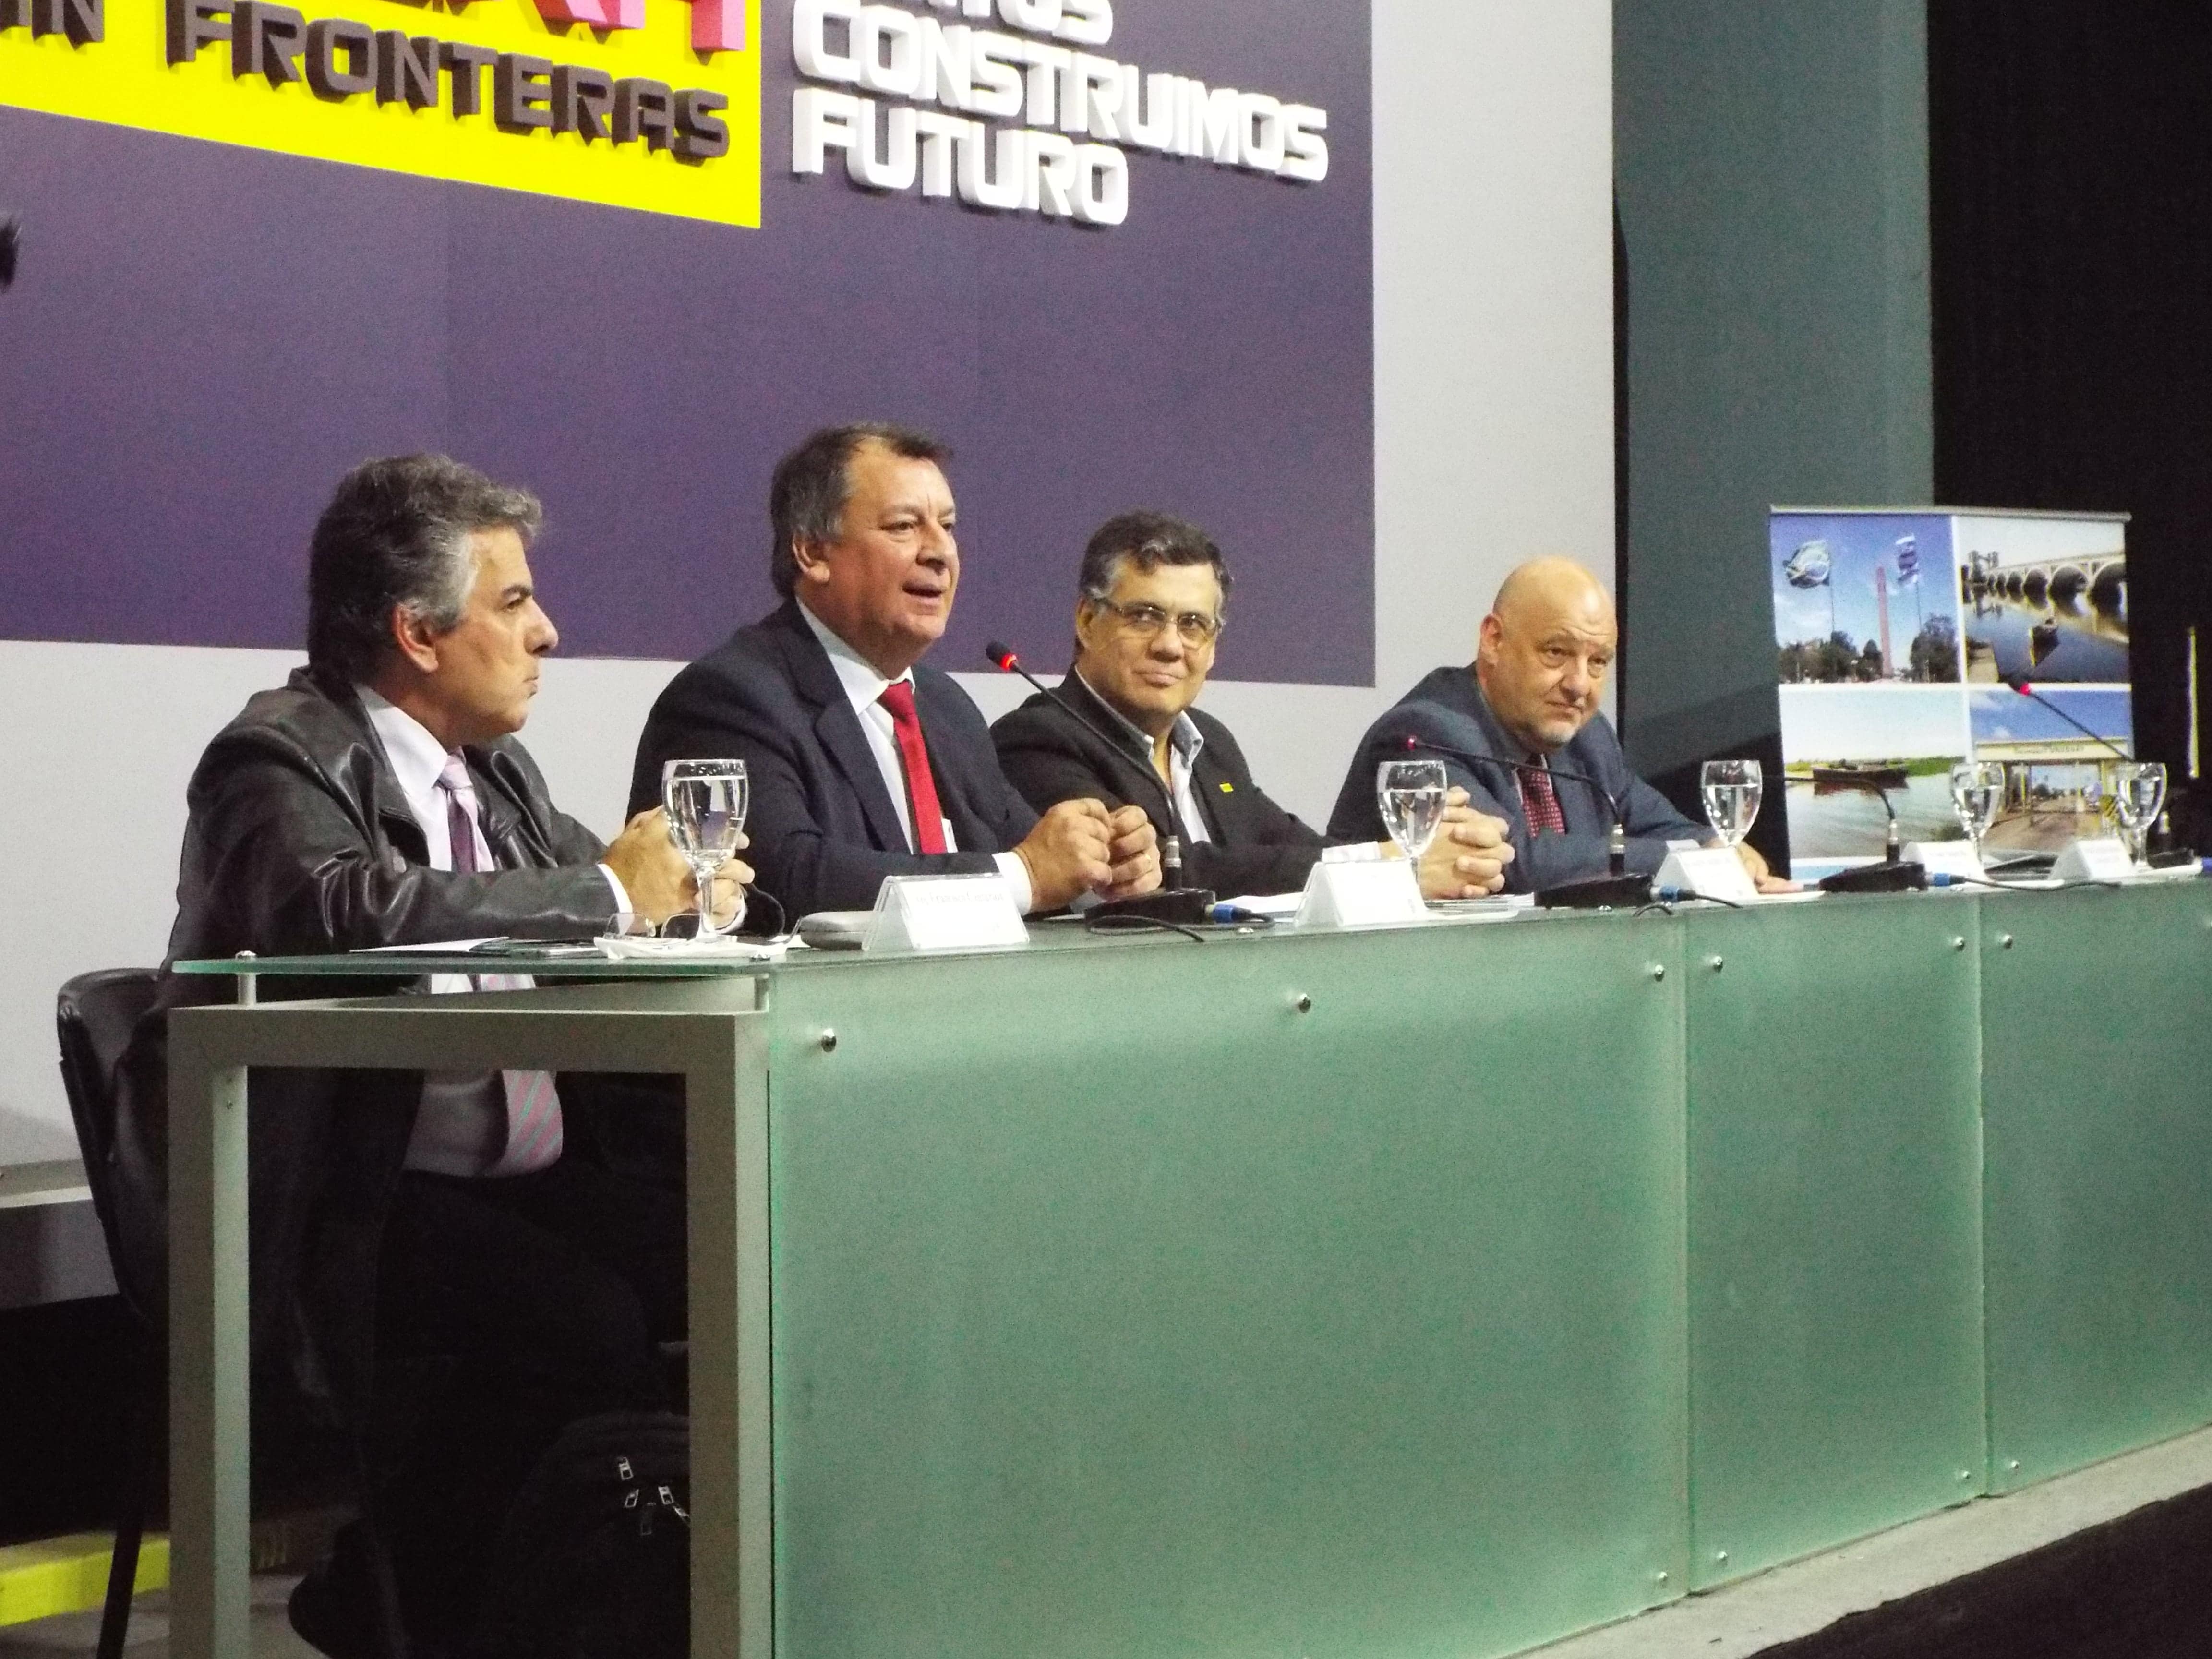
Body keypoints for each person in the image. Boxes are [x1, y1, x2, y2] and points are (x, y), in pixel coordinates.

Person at [118, 454, 749, 1655]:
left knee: (743, 1255)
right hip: (340, 1197)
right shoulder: (276, 757)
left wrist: (686, 901)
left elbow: (599, 890)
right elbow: (344, 907)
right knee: (583, 1321)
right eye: (514, 602)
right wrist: (609, 891)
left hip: (519, 1177)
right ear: (417, 631)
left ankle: (610, 1594)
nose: (547, 632)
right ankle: (446, 1596)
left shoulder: (496, 772)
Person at [629, 423, 1161, 918]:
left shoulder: (946, 707)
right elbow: (787, 876)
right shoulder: (730, 699)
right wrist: (1024, 877)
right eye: (904, 527)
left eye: (947, 527)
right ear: (814, 552)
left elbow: (1032, 851)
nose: (941, 552)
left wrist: (1101, 869)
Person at [991, 510, 1514, 897]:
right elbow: (1174, 871)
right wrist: (1391, 868)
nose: (1170, 646)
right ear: (1087, 621)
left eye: (1193, 625)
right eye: (1145, 617)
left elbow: (1290, 847)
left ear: (1214, 645)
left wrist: (1428, 849)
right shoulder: (1037, 739)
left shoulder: (1209, 743)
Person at [1328, 556, 1791, 894]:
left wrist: (1718, 845)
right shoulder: (1424, 733)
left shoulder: (1588, 737)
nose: (1578, 685)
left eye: (1598, 662)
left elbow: (1659, 824)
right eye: (1556, 652)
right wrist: (1700, 859)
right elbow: (1513, 861)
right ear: (1494, 640)